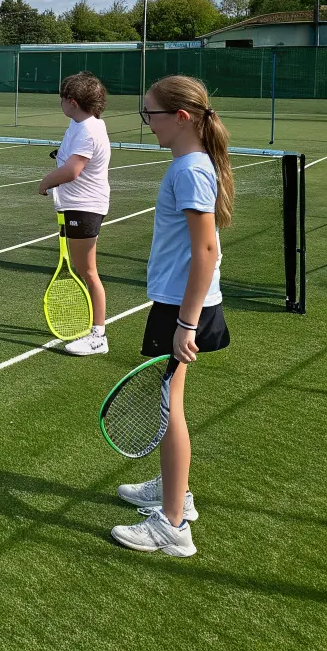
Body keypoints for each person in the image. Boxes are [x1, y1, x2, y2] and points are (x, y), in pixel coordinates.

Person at [111, 75, 233, 558]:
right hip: (181, 302)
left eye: (151, 115)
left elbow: (206, 249)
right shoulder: (190, 163)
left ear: (181, 118)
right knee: (169, 404)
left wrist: (185, 323)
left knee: (168, 410)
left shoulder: (189, 170)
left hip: (184, 307)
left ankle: (173, 525)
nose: (147, 124)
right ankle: (173, 492)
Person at [37, 72, 111, 355]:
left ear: (72, 101)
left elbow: (73, 171)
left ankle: (98, 336)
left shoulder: (88, 130)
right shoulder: (83, 123)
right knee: (85, 270)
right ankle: (96, 331)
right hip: (78, 205)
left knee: (88, 272)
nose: (60, 104)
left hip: (85, 206)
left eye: (62, 99)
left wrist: (46, 181)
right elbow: (72, 159)